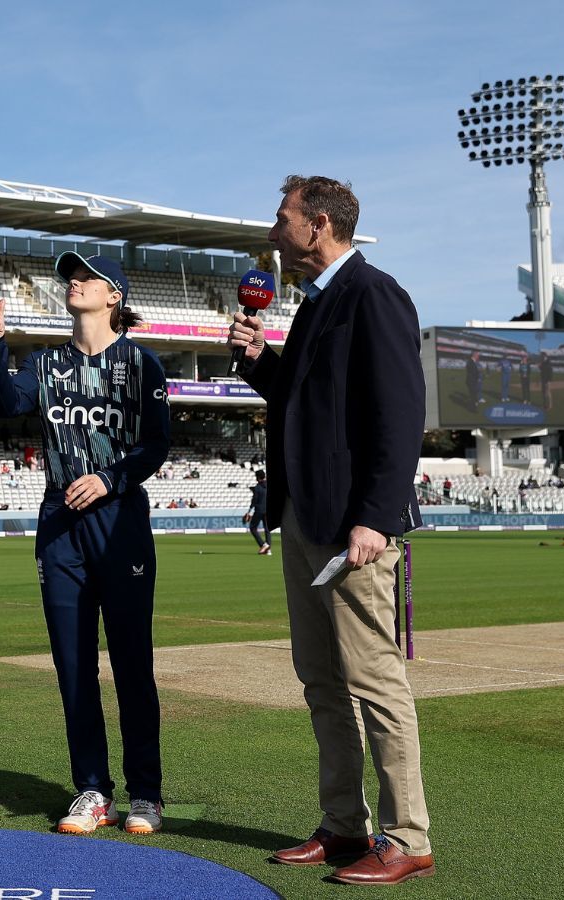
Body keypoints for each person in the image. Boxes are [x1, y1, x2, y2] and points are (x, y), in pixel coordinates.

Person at [229, 176, 433, 885]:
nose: (272, 231)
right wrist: (260, 361)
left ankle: (407, 836)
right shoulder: (315, 303)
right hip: (304, 516)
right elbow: (303, 406)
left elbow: (401, 415)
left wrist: (376, 517)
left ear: (318, 225)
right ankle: (345, 825)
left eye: (281, 219)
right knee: (321, 679)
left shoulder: (372, 294)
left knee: (374, 681)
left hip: (354, 528)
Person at [0, 251, 170, 837]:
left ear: (114, 296)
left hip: (121, 525)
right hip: (60, 527)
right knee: (73, 666)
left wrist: (109, 478)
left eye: (87, 277)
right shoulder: (47, 363)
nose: (74, 283)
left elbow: (156, 446)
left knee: (133, 664)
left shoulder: (142, 364)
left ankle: (146, 793)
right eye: (71, 277)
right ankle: (92, 789)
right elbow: (7, 403)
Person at [245, 470, 270, 555]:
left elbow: (254, 501)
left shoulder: (257, 487)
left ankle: (263, 545)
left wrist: (249, 511)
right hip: (268, 510)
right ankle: (268, 547)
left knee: (253, 527)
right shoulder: (268, 486)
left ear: (257, 477)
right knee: (267, 529)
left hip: (259, 510)